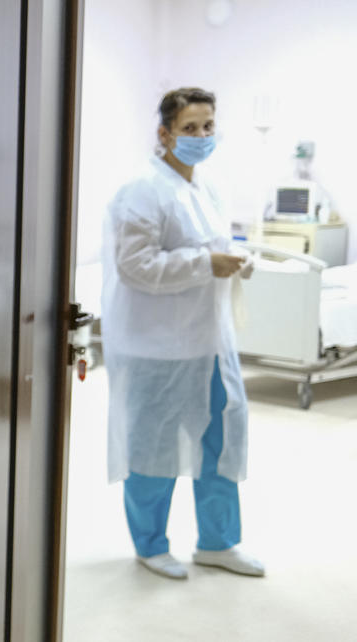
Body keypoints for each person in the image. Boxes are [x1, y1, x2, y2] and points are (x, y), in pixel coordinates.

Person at [101, 87, 265, 580]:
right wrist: (205, 263)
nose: (200, 137)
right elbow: (134, 266)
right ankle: (150, 546)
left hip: (210, 343)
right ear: (164, 133)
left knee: (220, 442)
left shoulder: (205, 188)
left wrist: (235, 260)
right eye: (190, 128)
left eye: (208, 126)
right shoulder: (142, 190)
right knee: (154, 447)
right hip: (159, 349)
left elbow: (215, 245)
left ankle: (218, 542)